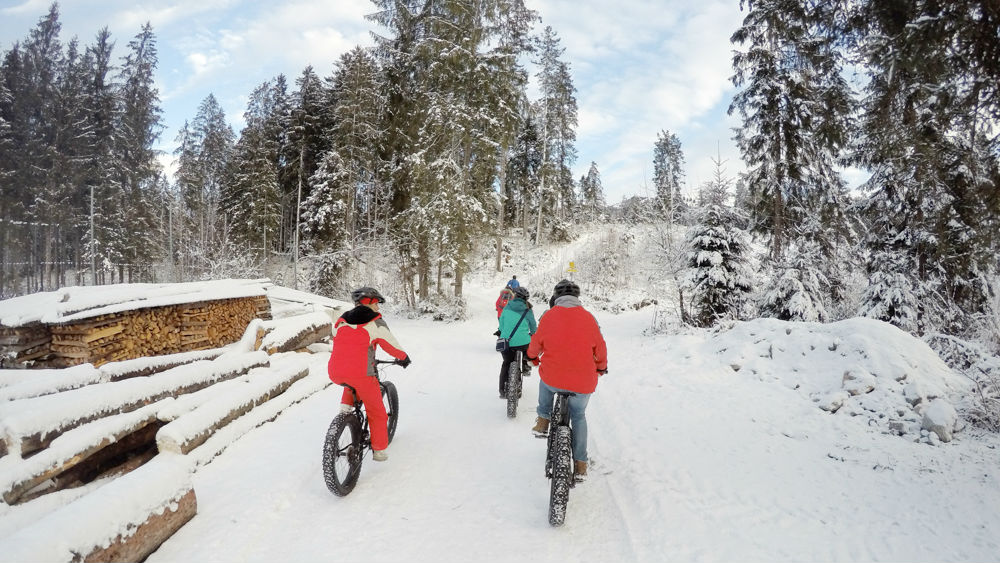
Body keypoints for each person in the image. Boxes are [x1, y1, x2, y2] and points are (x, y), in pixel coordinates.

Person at [527, 279, 607, 481]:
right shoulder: (589, 318)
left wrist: (533, 358)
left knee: (545, 381)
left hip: (553, 377)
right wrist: (601, 368)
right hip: (583, 382)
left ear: (556, 297)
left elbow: (536, 343)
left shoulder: (548, 315)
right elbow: (600, 347)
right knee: (578, 415)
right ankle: (581, 465)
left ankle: (543, 419)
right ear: (577, 298)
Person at [327, 286, 411, 462]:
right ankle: (379, 450)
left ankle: (345, 410)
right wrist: (403, 358)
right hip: (362, 375)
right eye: (377, 304)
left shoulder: (341, 321)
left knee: (351, 380)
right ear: (370, 302)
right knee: (377, 412)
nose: (378, 308)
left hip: (335, 372)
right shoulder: (375, 322)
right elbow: (391, 345)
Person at [497, 286, 537, 398]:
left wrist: (501, 331)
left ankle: (502, 391)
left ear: (514, 296)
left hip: (506, 341)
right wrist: (533, 333)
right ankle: (525, 366)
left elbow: (501, 323)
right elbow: (533, 327)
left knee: (506, 363)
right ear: (526, 299)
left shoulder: (507, 307)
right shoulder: (528, 309)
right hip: (523, 342)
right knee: (528, 349)